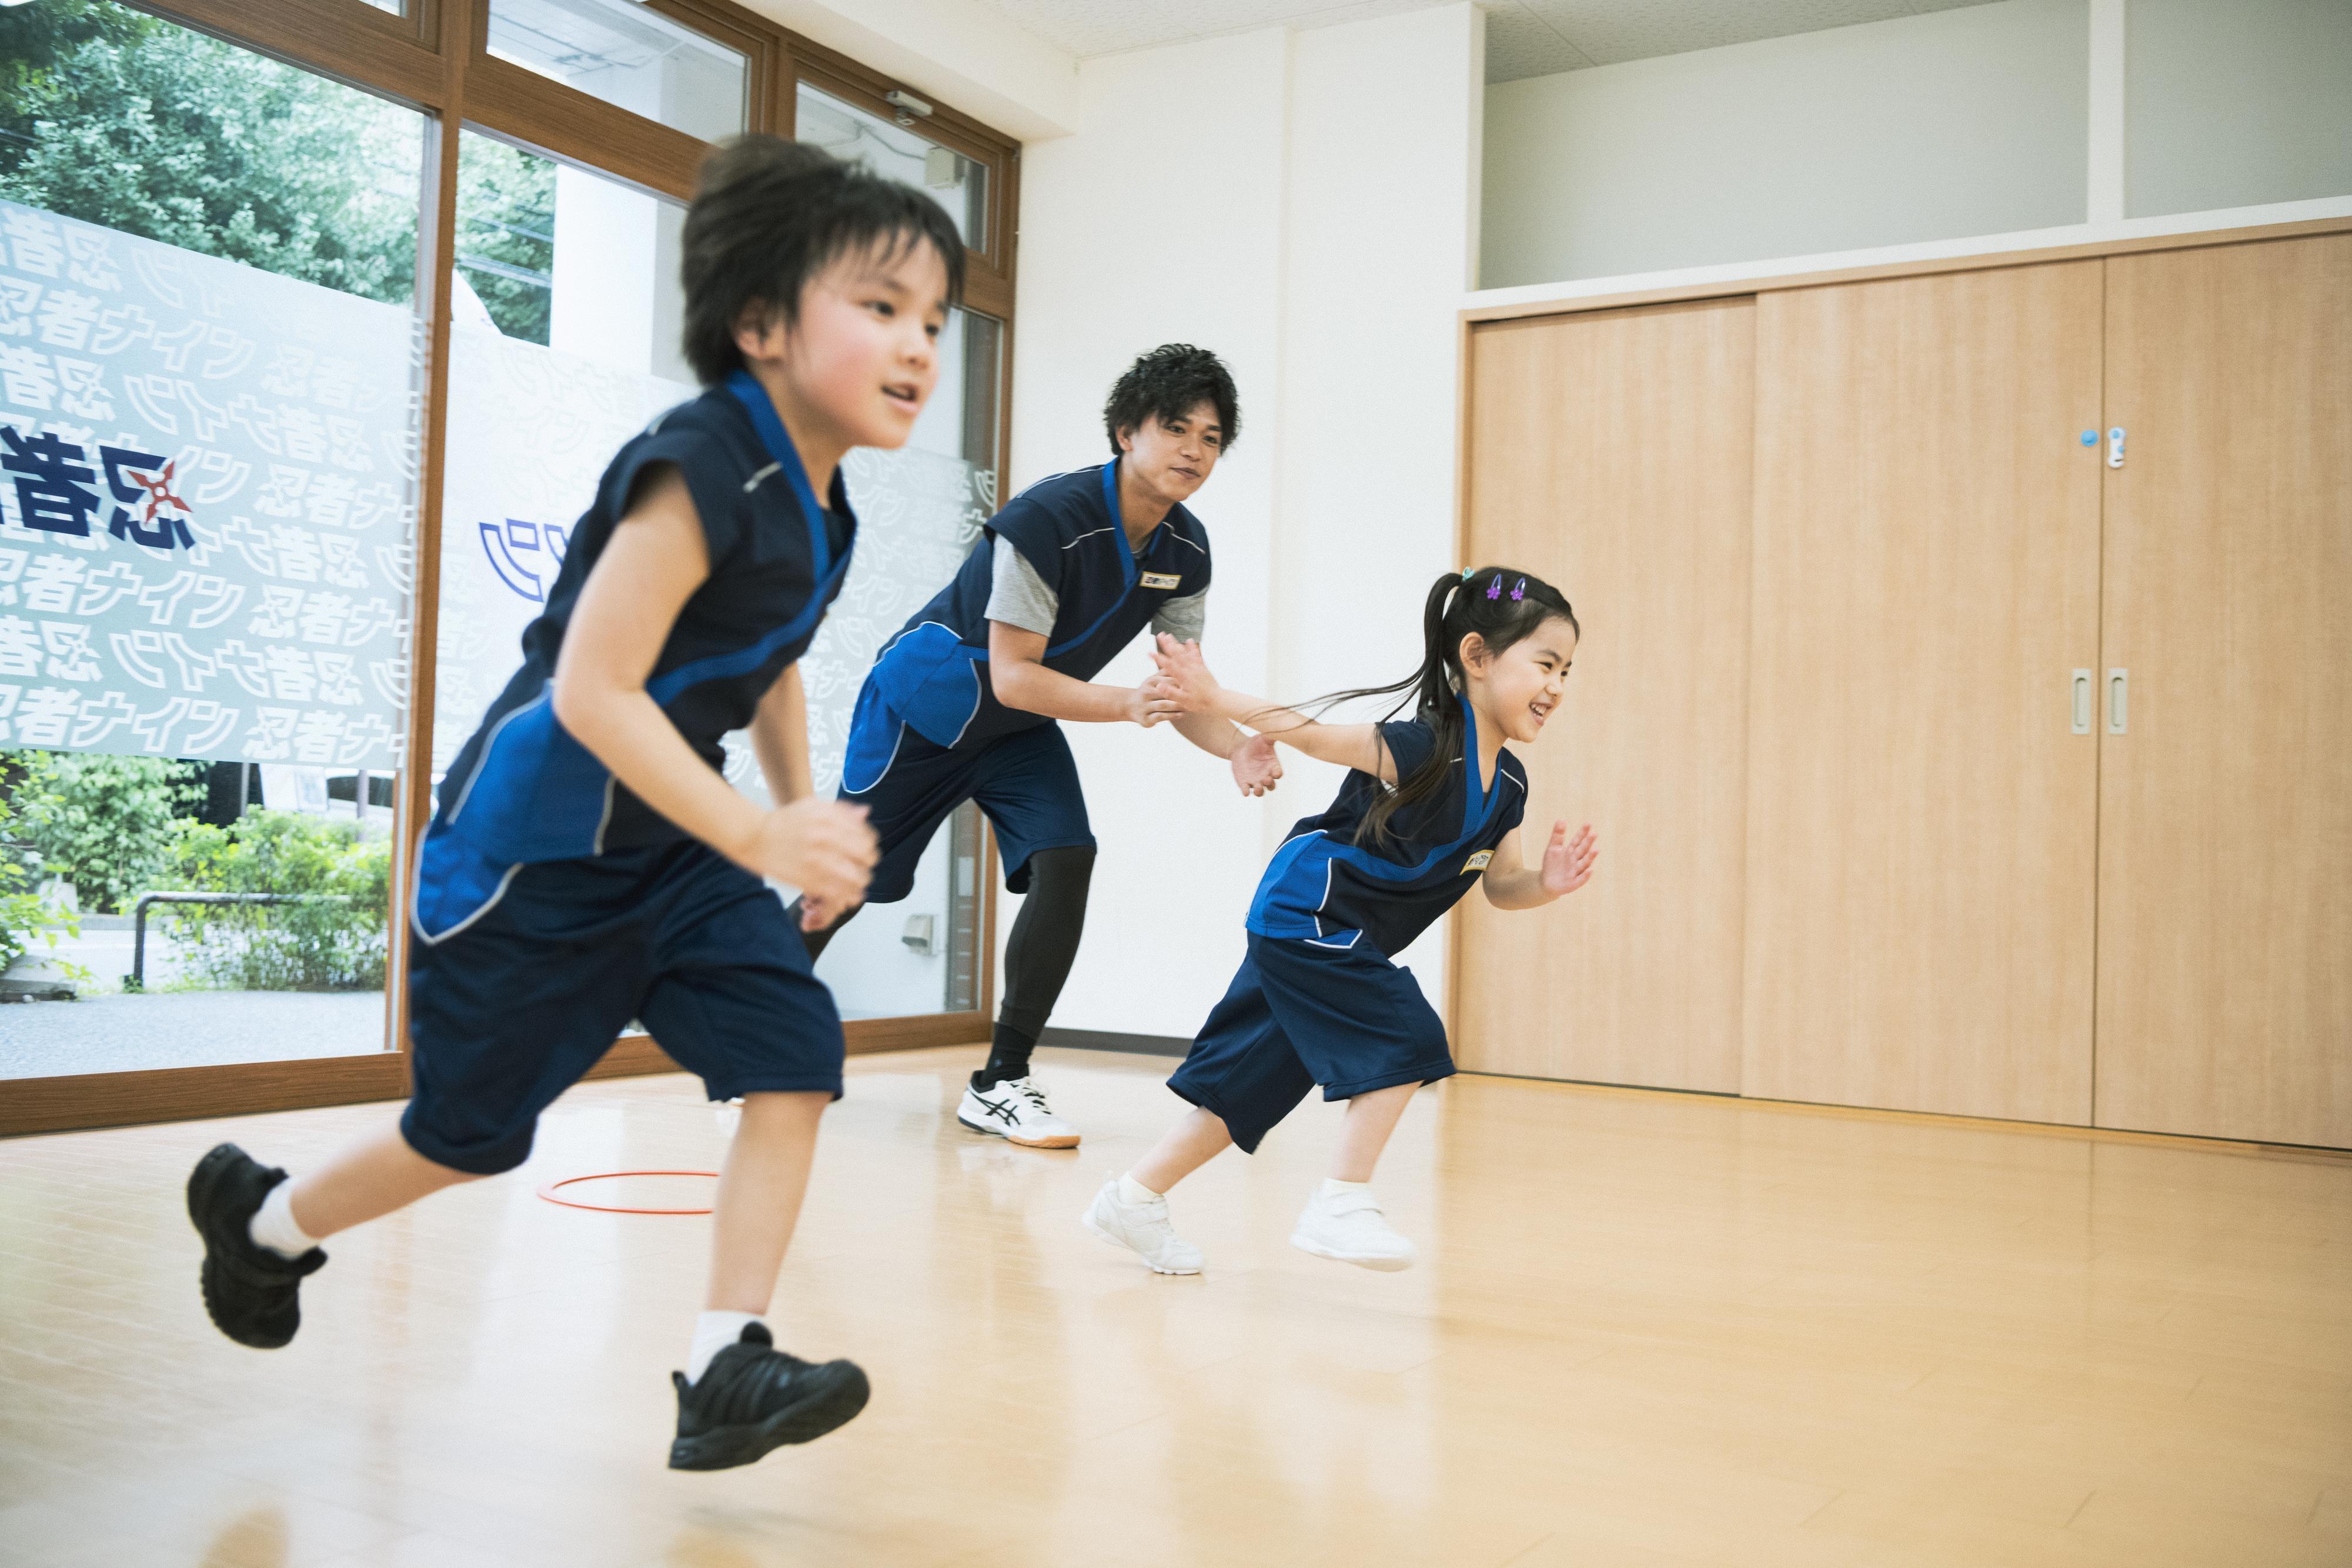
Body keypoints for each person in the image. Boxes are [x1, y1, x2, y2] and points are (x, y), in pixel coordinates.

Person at [185, 137, 963, 1470]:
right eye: (880, 308)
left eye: (934, 321)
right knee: (467, 1137)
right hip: (528, 859)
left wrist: (802, 824)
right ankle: (265, 1225)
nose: (918, 348)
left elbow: (765, 665)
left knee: (793, 1054)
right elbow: (596, 691)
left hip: (672, 849)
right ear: (762, 324)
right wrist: (760, 832)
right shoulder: (704, 462)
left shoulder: (828, 511)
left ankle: (727, 1359)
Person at [796, 345, 1281, 1148]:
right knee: (843, 884)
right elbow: (1018, 675)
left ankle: (1001, 1081)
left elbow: (1180, 684)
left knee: (1067, 856)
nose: (1195, 449)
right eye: (1176, 427)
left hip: (1016, 729)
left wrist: (1231, 745)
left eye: (1212, 435)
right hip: (929, 707)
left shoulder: (1186, 551)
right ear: (1127, 431)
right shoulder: (1046, 520)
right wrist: (1127, 704)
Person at [1081, 568, 1600, 1273]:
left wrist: (1545, 882)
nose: (1558, 688)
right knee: (1406, 1034)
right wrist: (1213, 699)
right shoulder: (1421, 747)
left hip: (1320, 931)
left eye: (1566, 670)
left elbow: (1500, 886)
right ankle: (1341, 1202)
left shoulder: (1508, 785)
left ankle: (1132, 1198)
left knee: (1248, 1083)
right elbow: (1314, 736)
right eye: (1545, 664)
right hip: (1309, 914)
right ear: (1476, 658)